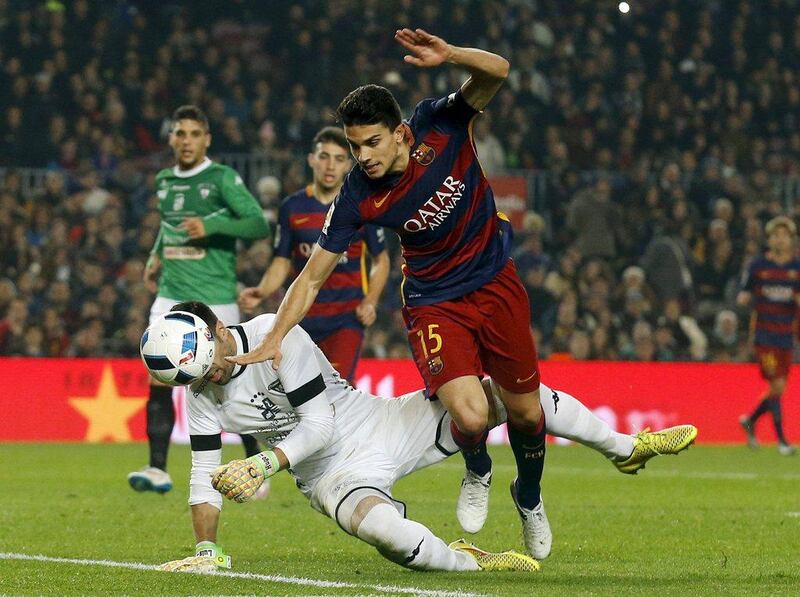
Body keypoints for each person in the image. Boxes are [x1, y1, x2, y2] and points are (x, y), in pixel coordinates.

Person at [225, 28, 695, 559]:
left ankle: (530, 496)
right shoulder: (358, 192)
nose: (363, 157)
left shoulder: (441, 122)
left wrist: (451, 55)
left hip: (496, 282)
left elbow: (498, 70)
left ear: (401, 133)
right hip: (433, 300)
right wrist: (276, 336)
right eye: (355, 147)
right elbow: (310, 276)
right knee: (470, 416)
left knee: (524, 413)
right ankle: (477, 468)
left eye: (372, 143)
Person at [146, 301, 696, 573]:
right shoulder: (200, 391)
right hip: (329, 479)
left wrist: (266, 465)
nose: (210, 379)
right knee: (392, 539)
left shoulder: (273, 333)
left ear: (218, 331)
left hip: (375, 422)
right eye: (196, 379)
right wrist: (207, 548)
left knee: (502, 395)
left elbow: (321, 423)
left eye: (209, 366)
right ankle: (472, 560)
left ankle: (627, 448)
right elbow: (202, 471)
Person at [128, 105, 271, 493]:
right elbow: (168, 226)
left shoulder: (222, 178)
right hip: (171, 294)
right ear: (171, 138)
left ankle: (252, 469)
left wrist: (211, 225)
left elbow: (257, 223)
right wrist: (156, 254)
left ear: (206, 138)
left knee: (229, 383)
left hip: (215, 298)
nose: (186, 140)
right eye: (180, 133)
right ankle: (157, 467)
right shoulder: (164, 180)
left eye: (194, 133)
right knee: (158, 374)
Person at [238, 127, 390, 380]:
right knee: (297, 393)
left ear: (347, 165)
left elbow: (381, 260)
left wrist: (371, 301)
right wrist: (262, 290)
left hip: (346, 319)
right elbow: (281, 261)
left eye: (339, 159)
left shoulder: (362, 205)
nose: (330, 166)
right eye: (324, 156)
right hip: (301, 317)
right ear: (311, 160)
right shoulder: (292, 207)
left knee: (336, 390)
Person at [737, 216, 799, 456]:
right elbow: (743, 293)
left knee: (778, 389)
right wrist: (745, 298)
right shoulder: (758, 266)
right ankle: (782, 441)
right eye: (775, 235)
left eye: (784, 235)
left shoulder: (796, 268)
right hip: (764, 336)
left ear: (791, 240)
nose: (779, 240)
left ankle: (750, 421)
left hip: (786, 336)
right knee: (777, 385)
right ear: (769, 239)